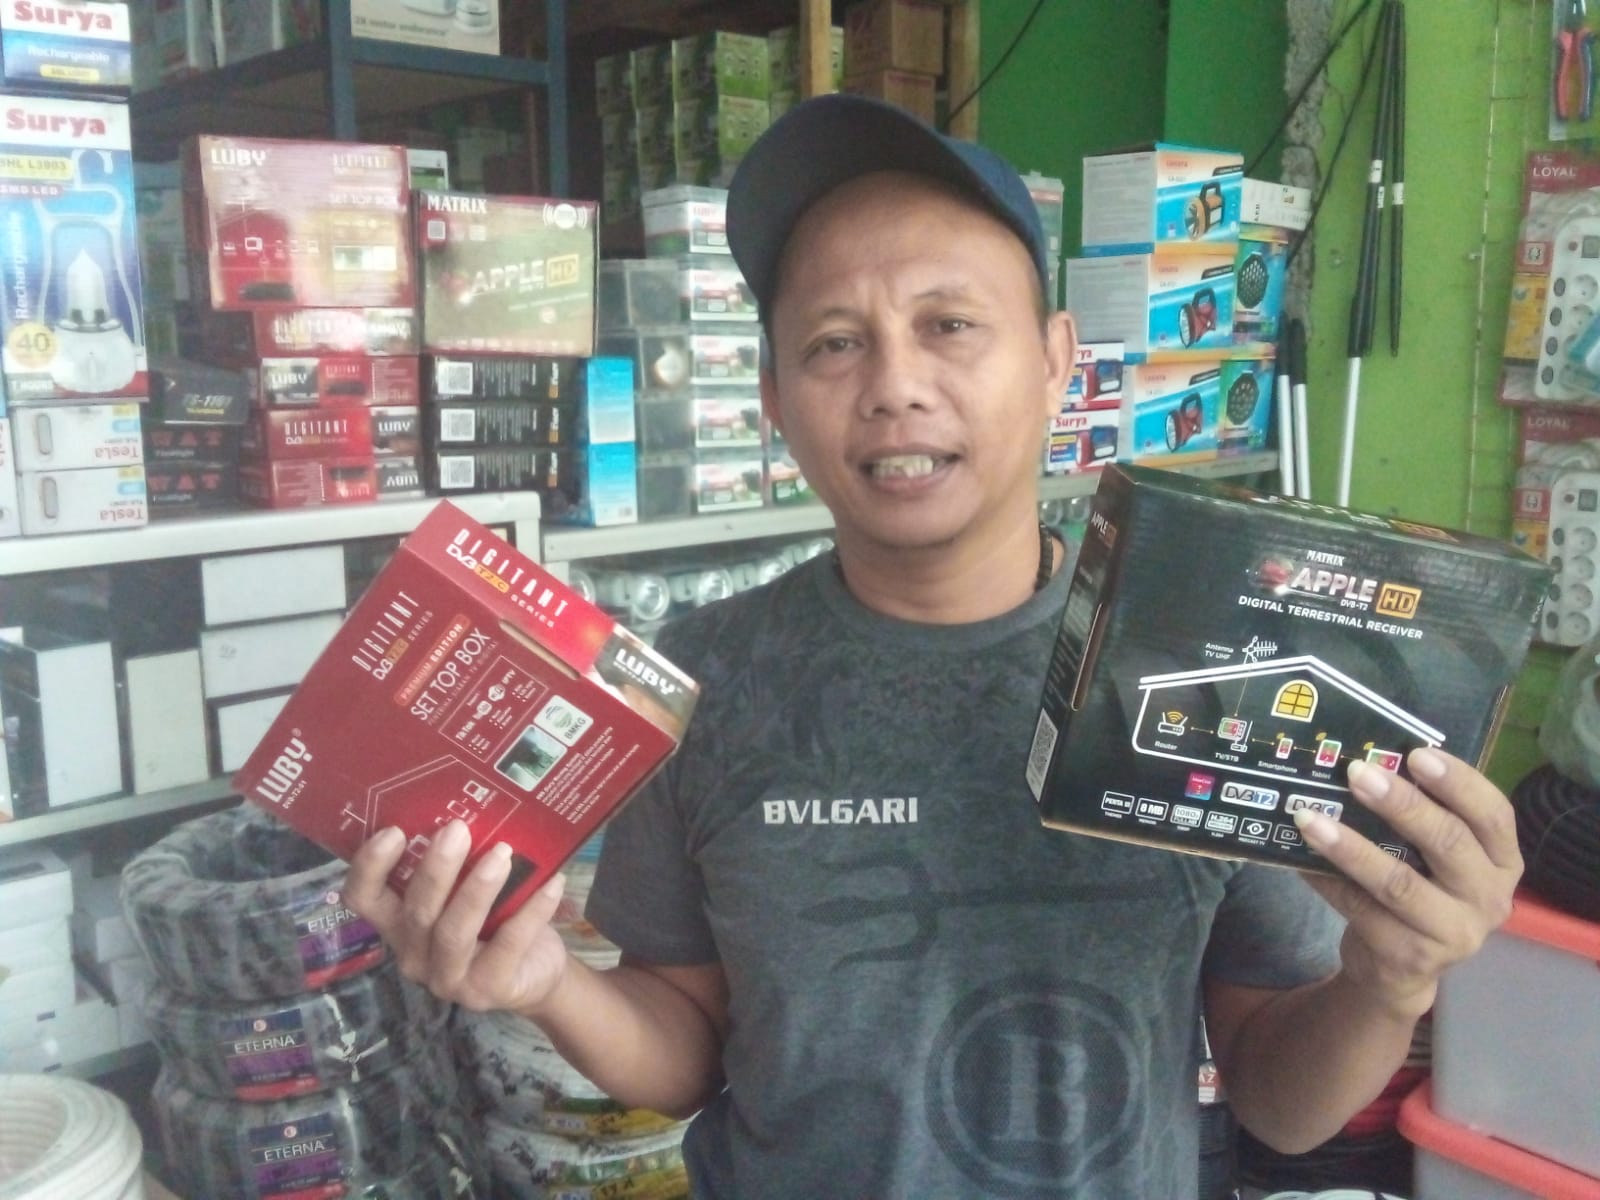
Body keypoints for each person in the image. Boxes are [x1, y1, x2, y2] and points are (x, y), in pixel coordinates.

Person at [345, 95, 1523, 1198]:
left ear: (1058, 361)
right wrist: (547, 985)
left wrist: (1388, 982)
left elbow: (1278, 1101)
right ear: (770, 396)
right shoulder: (699, 683)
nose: (894, 386)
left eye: (949, 325)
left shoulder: (1200, 670)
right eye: (832, 344)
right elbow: (689, 1048)